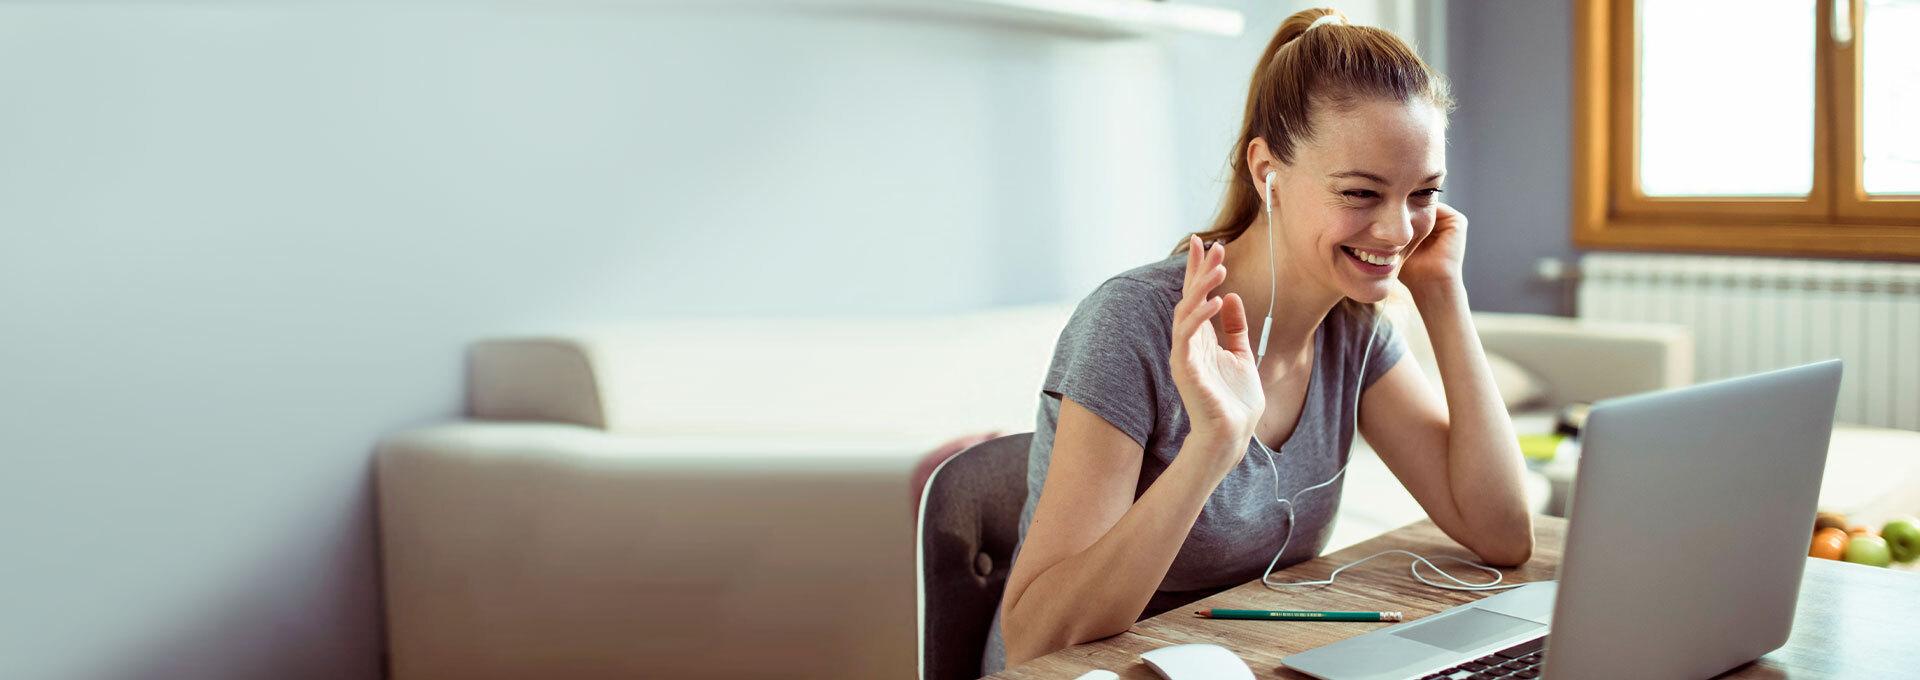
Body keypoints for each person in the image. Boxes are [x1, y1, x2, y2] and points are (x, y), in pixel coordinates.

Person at [983, 7, 1535, 673]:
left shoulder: (1353, 333)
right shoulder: (1132, 323)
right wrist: (1212, 446)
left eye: (1424, 193)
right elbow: (1035, 637)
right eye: (1361, 193)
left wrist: (1444, 296)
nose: (1397, 231)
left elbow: (1502, 534)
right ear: (1266, 171)